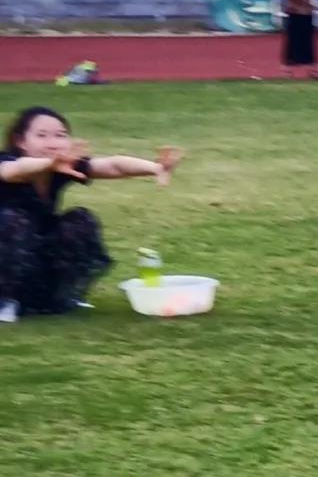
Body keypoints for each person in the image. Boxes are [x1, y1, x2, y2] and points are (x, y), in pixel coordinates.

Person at [0, 106, 183, 322]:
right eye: (42, 135)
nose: (53, 142)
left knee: (79, 221)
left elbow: (113, 165)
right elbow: (14, 170)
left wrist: (155, 168)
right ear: (20, 141)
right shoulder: (8, 162)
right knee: (13, 221)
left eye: (61, 135)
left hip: (32, 246)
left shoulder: (64, 167)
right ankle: (4, 300)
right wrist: (49, 163)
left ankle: (57, 297)